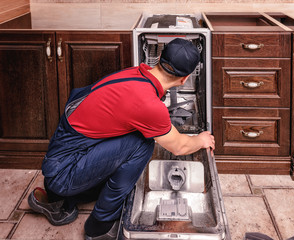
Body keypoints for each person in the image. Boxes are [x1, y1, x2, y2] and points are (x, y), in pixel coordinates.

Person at [27, 38, 215, 240]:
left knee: (137, 136)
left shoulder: (136, 73)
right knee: (142, 144)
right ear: (184, 79)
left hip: (63, 158)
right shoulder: (149, 105)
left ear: (159, 58)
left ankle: (57, 200)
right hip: (63, 173)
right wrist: (201, 140)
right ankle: (99, 227)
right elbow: (179, 146)